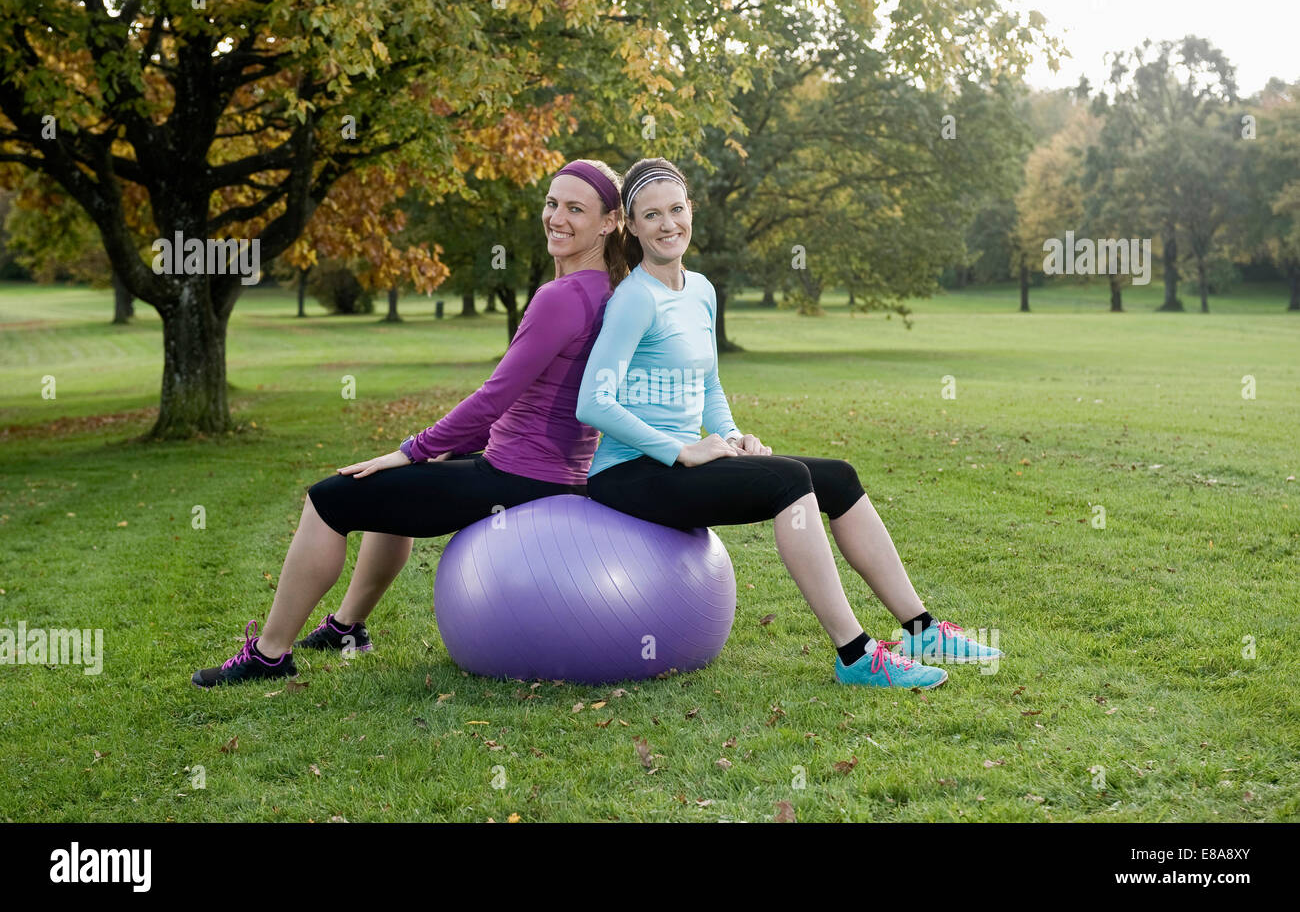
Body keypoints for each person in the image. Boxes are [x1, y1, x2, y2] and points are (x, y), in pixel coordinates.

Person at [192, 159, 626, 687]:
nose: (557, 217)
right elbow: (536, 402)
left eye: (575, 208)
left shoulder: (562, 297)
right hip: (545, 470)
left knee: (328, 500)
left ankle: (269, 655)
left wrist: (415, 448)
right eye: (552, 203)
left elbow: (494, 398)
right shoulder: (609, 294)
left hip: (519, 478)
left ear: (609, 222)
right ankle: (347, 628)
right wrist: (437, 450)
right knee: (385, 488)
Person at [576, 157, 1002, 689]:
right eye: (652, 215)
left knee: (839, 476)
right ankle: (855, 655)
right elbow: (592, 402)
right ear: (633, 226)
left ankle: (921, 629)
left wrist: (731, 435)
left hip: (681, 461)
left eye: (677, 210)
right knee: (789, 481)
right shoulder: (635, 299)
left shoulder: (701, 290)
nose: (668, 225)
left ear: (692, 212)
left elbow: (706, 385)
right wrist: (681, 450)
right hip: (629, 473)